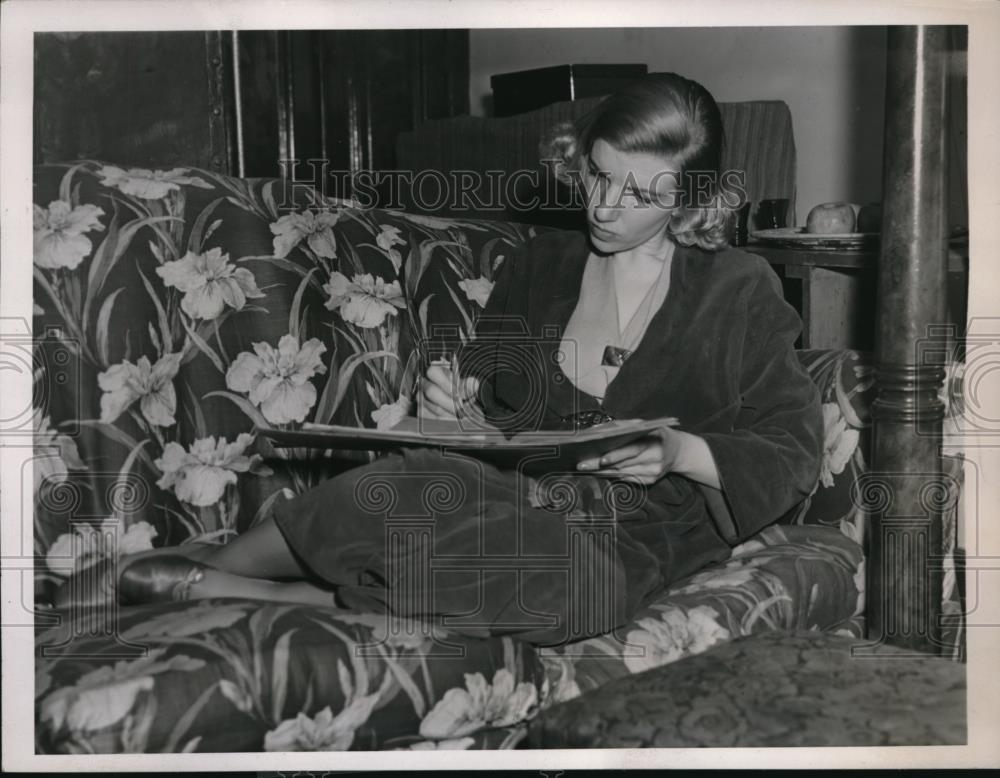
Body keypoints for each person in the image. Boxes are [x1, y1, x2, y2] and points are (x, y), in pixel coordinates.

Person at [57, 73, 823, 646]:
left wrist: (682, 450)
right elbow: (495, 415)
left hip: (626, 541)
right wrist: (456, 411)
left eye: (640, 191)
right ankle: (217, 558)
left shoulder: (736, 290)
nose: (605, 206)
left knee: (560, 591)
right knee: (406, 485)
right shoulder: (541, 267)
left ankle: (217, 587)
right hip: (507, 494)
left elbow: (794, 446)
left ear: (690, 200)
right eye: (597, 172)